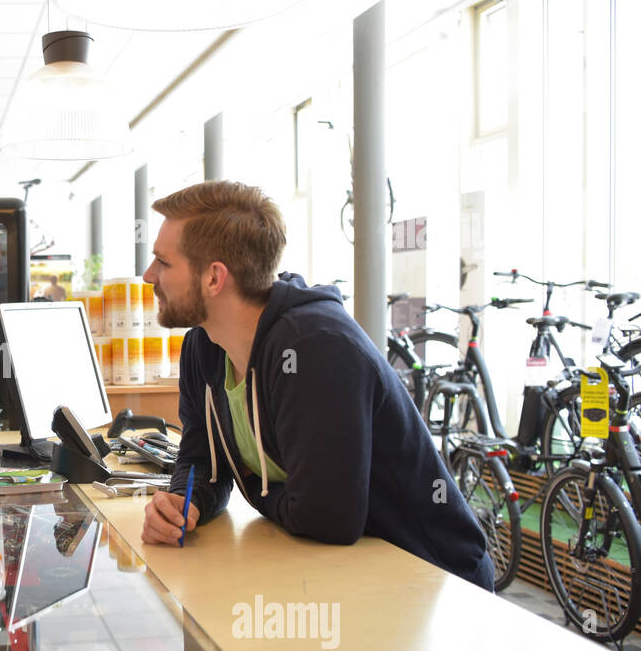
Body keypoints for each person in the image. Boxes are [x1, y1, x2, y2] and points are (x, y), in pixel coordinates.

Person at [139, 180, 495, 591]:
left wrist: (252, 490)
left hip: (432, 581)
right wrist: (184, 503)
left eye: (163, 263)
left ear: (214, 278)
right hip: (348, 576)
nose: (150, 276)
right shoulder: (205, 346)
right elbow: (203, 461)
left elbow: (327, 520)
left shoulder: (315, 348)